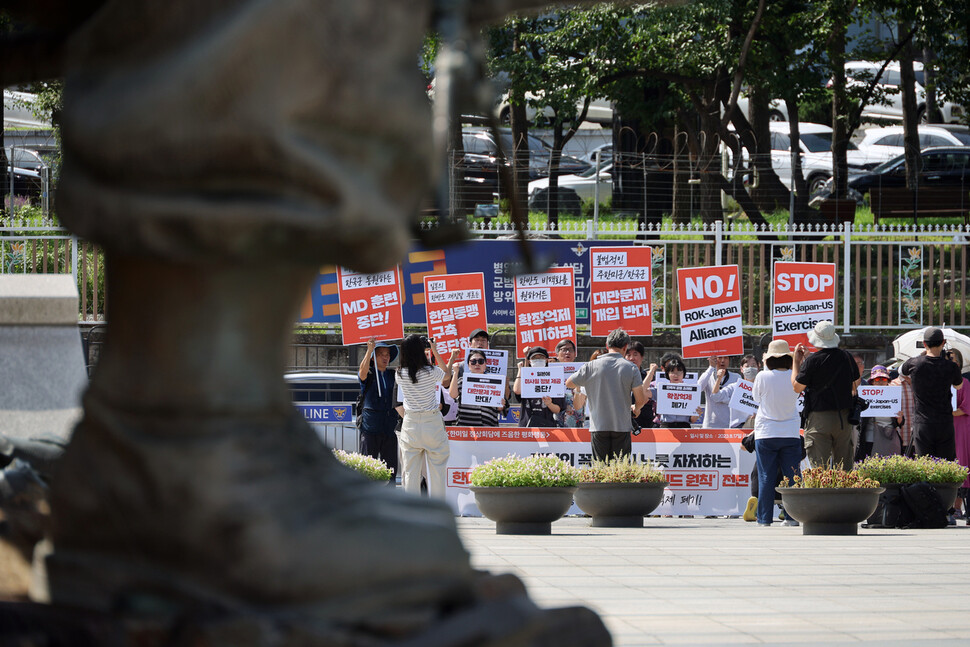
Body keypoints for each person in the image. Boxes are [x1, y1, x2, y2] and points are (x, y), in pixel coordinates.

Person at [566, 329, 645, 461]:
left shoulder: (590, 366)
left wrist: (581, 386)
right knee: (620, 471)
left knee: (600, 470)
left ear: (607, 346)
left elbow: (569, 383)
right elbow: (640, 399)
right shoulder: (631, 368)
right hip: (621, 426)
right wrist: (636, 409)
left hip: (598, 425)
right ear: (625, 347)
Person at [792, 321, 860, 470]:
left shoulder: (812, 361)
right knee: (844, 469)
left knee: (819, 470)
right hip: (844, 418)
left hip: (819, 419)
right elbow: (857, 381)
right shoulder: (846, 357)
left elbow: (797, 387)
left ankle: (822, 494)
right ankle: (844, 493)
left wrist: (796, 362)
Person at [751, 340, 802, 527]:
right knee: (793, 476)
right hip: (790, 431)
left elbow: (756, 398)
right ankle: (793, 517)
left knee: (766, 476)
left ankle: (764, 519)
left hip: (766, 431)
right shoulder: (794, 376)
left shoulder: (763, 376)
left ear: (768, 359)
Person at [397, 334, 453, 499]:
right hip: (432, 422)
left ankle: (411, 513)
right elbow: (447, 375)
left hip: (410, 424)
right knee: (437, 471)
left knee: (410, 473)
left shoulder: (399, 373)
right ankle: (438, 511)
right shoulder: (430, 371)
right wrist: (434, 350)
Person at [901, 327, 964, 460]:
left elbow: (902, 370)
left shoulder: (915, 363)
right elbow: (959, 386)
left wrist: (922, 354)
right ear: (943, 343)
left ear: (924, 343)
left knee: (924, 466)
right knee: (946, 464)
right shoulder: (951, 367)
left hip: (922, 422)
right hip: (945, 422)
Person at [356, 337, 401, 482]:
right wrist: (369, 350)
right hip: (370, 427)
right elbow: (361, 374)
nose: (385, 357)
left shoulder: (393, 375)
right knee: (368, 467)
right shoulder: (368, 374)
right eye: (381, 354)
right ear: (374, 358)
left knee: (391, 469)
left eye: (387, 354)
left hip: (390, 427)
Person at [856, 365, 902, 460]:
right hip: (869, 437)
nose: (881, 382)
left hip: (888, 438)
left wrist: (900, 418)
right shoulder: (865, 395)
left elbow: (900, 423)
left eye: (884, 379)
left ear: (888, 381)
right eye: (877, 379)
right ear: (872, 382)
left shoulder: (894, 395)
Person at [449, 348, 503, 427]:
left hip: (488, 427)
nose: (477, 364)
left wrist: (501, 405)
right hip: (466, 427)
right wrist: (455, 372)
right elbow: (453, 395)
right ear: (468, 365)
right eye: (473, 362)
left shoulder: (495, 382)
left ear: (485, 364)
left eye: (480, 361)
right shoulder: (462, 381)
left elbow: (501, 408)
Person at [513, 346, 564, 428]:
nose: (538, 360)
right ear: (529, 361)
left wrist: (549, 404)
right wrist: (520, 370)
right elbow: (517, 391)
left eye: (541, 357)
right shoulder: (525, 377)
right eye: (534, 358)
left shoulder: (554, 379)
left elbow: (557, 409)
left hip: (547, 426)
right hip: (526, 426)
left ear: (547, 360)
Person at [644, 359, 700, 428]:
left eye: (679, 372)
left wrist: (697, 414)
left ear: (683, 373)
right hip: (666, 426)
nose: (676, 375)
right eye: (672, 372)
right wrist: (651, 373)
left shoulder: (691, 391)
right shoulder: (662, 389)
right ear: (668, 374)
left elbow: (692, 420)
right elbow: (644, 391)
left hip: (684, 427)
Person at [950, 349, 970, 521]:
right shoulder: (937, 382)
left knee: (960, 463)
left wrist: (945, 411)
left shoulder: (964, 383)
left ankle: (957, 507)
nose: (951, 363)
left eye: (954, 360)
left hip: (960, 427)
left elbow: (965, 407)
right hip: (942, 426)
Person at [709, 361, 759, 429]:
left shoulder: (763, 388)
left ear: (758, 368)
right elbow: (716, 396)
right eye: (747, 366)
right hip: (738, 427)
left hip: (758, 426)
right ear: (741, 369)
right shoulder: (735, 387)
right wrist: (719, 378)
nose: (750, 368)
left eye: (753, 366)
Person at [698, 355, 740, 428]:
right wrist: (711, 367)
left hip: (729, 424)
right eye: (720, 358)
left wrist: (720, 397)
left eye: (726, 358)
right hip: (710, 424)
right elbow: (698, 389)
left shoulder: (736, 377)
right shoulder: (708, 376)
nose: (722, 361)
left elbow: (738, 401)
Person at [554, 339, 587, 428]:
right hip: (556, 423)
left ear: (574, 354)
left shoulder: (581, 372)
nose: (567, 352)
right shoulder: (551, 373)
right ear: (557, 354)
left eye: (570, 350)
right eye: (564, 350)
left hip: (576, 422)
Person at [625, 341, 655, 430]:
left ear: (642, 357)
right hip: (623, 422)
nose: (631, 358)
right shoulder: (619, 377)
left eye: (635, 354)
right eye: (628, 355)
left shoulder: (648, 377)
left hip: (645, 423)